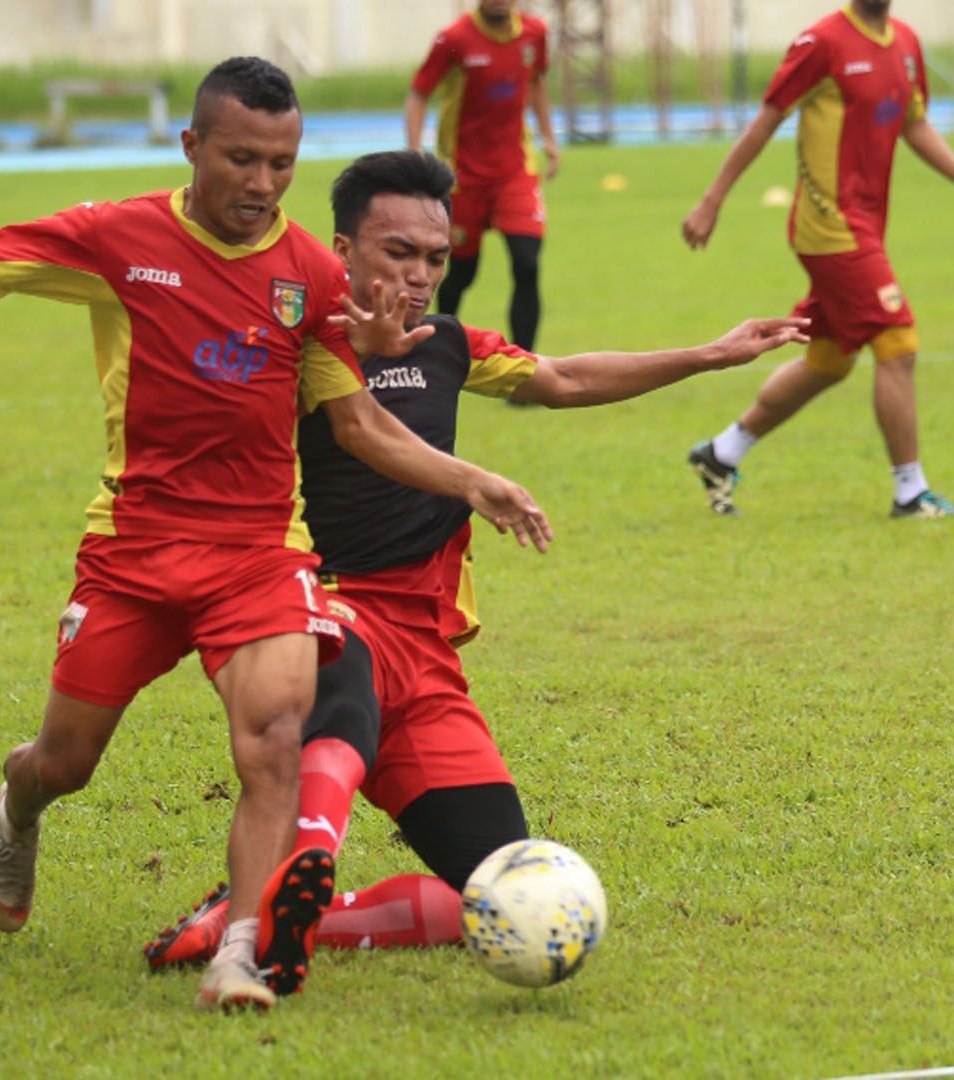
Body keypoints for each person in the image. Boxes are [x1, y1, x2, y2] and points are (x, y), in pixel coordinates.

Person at [0, 58, 552, 1013]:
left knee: (275, 735)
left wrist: (474, 476)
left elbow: (355, 424)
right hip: (134, 552)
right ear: (192, 146)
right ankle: (18, 805)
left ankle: (243, 949)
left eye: (282, 164)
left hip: (257, 555)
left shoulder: (312, 275)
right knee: (63, 762)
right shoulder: (119, 238)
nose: (263, 184)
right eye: (242, 160)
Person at [140, 150, 808, 968]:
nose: (420, 275)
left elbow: (560, 376)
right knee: (338, 677)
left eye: (434, 258)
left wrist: (709, 354)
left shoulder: (448, 344)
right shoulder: (291, 345)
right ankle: (297, 861)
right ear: (342, 251)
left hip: (426, 653)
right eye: (398, 253)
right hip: (320, 606)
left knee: (500, 894)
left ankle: (266, 912)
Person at [680, 0, 954, 520]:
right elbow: (766, 121)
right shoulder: (822, 43)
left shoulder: (905, 43)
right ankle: (911, 492)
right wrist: (712, 199)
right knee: (897, 340)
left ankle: (721, 454)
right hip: (828, 226)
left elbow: (915, 125)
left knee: (829, 360)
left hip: (866, 226)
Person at [404, 0, 557, 352]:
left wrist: (548, 137)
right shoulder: (453, 40)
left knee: (526, 262)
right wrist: (414, 154)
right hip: (463, 177)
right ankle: (437, 353)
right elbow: (418, 94)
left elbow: (537, 82)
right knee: (459, 274)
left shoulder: (535, 34)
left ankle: (524, 372)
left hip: (515, 172)